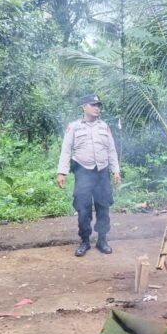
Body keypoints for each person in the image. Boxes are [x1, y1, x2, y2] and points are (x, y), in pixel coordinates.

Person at [57, 94, 122, 257]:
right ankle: (85, 241)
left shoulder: (104, 127)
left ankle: (102, 240)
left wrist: (116, 170)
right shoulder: (74, 127)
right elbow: (66, 150)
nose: (97, 108)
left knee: (103, 206)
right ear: (84, 107)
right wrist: (61, 172)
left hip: (102, 172)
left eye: (98, 105)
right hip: (83, 171)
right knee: (83, 207)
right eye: (93, 105)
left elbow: (111, 150)